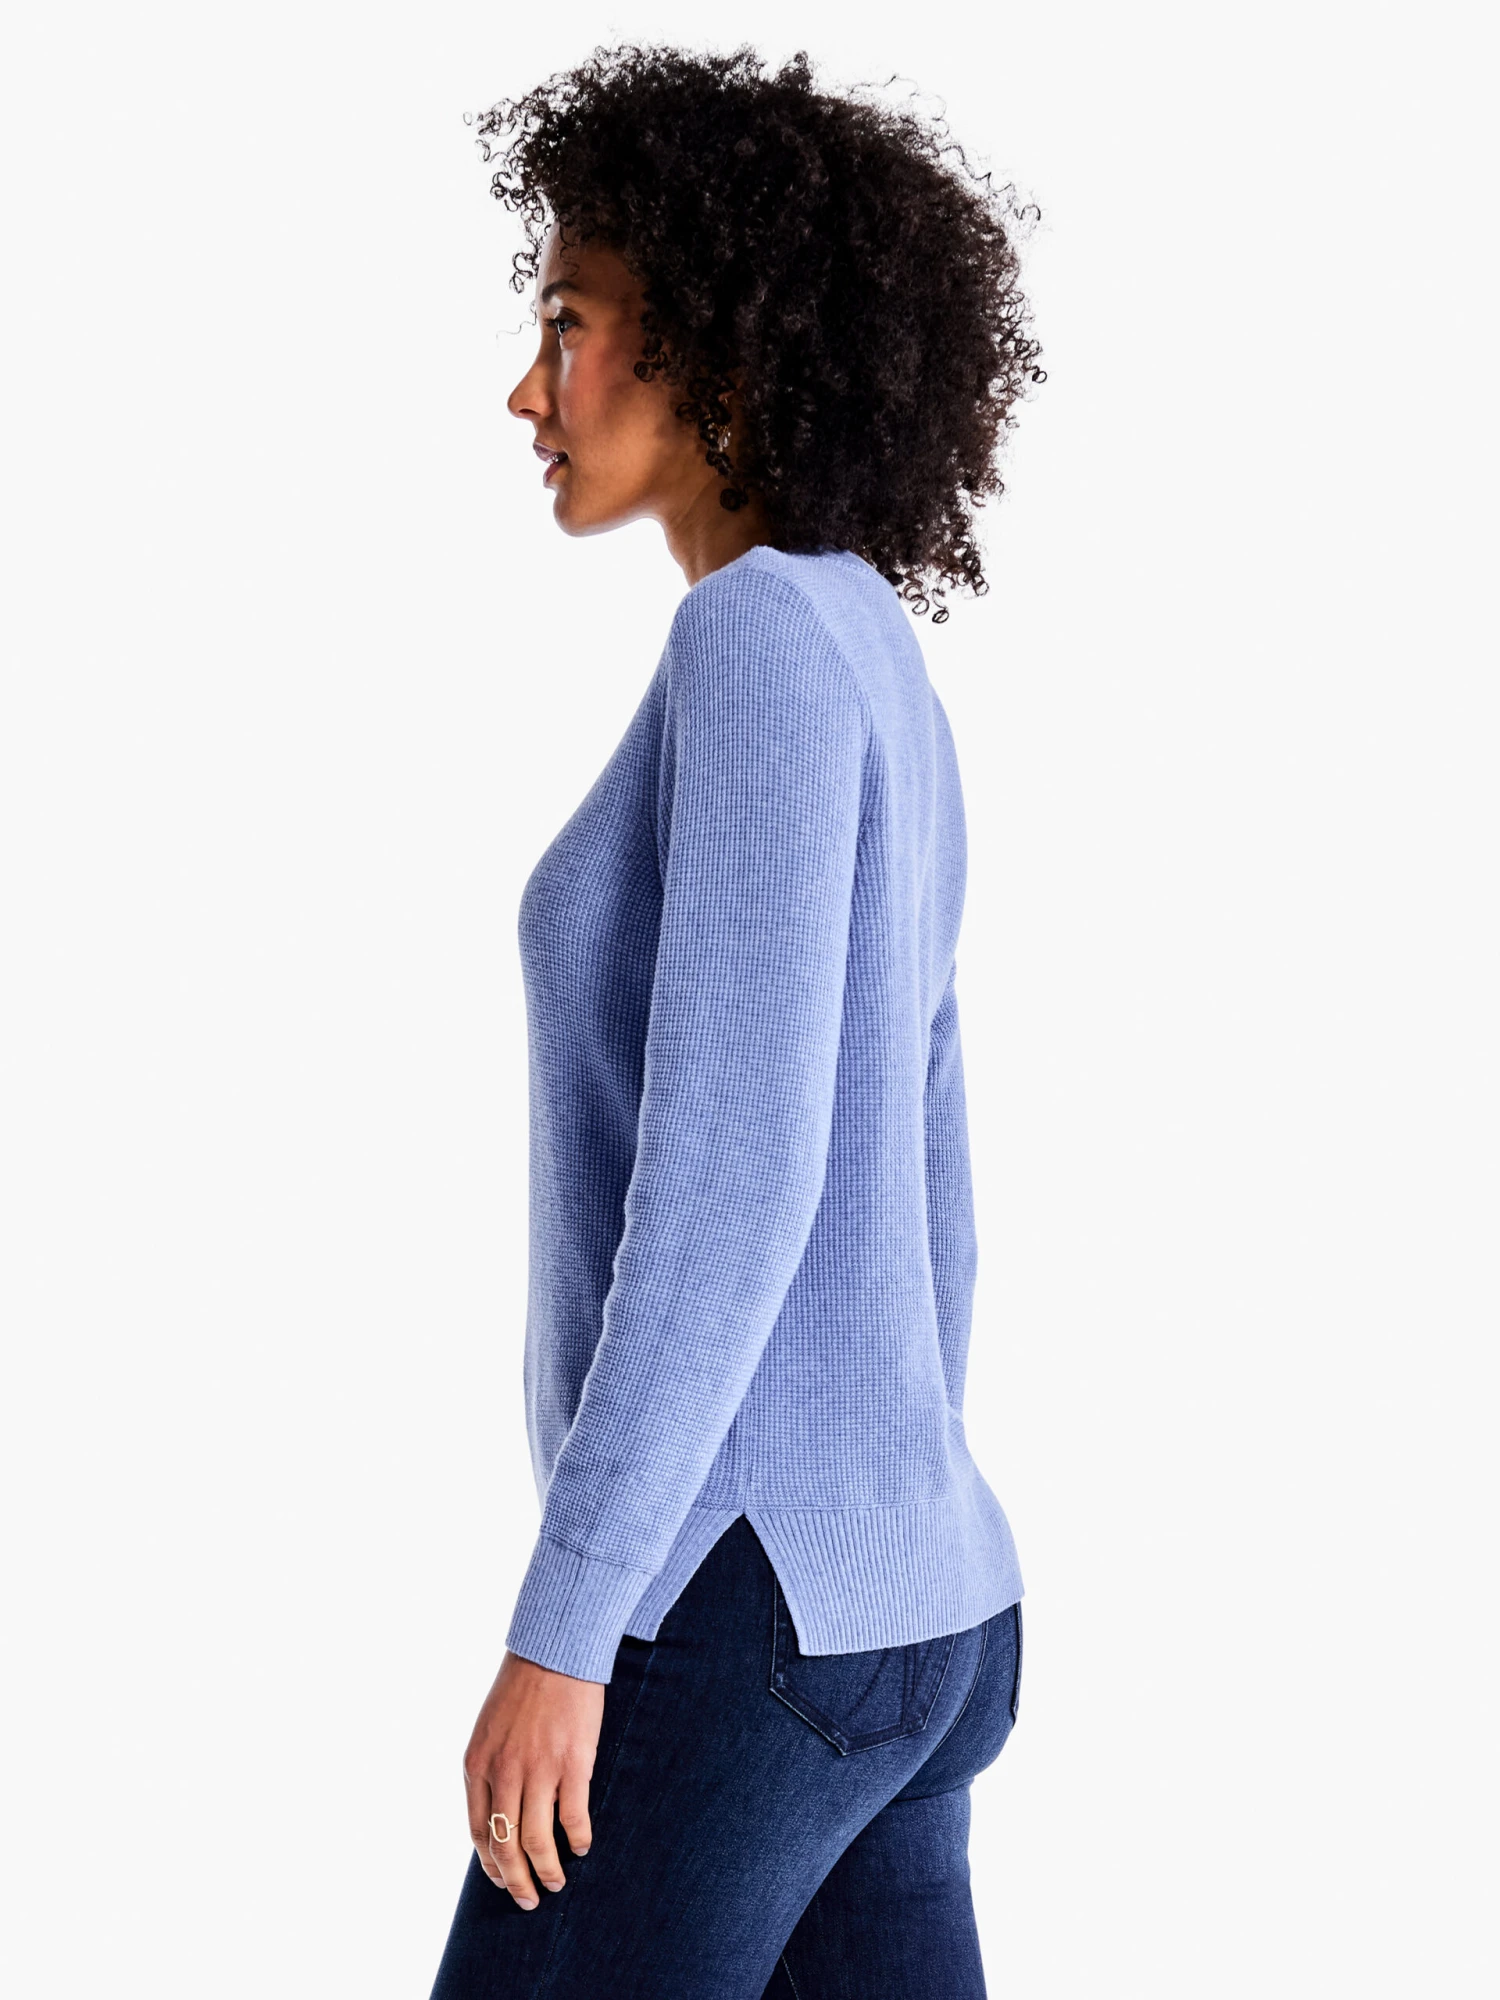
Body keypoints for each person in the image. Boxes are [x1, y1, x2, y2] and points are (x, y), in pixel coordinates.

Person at [430, 42, 1044, 2000]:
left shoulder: (758, 639)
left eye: (571, 325)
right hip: (910, 1612)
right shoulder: (868, 644)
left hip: (743, 1624)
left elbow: (735, 1179)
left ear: (714, 345)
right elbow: (935, 1171)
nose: (530, 390)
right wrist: (894, 1505)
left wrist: (569, 1623)